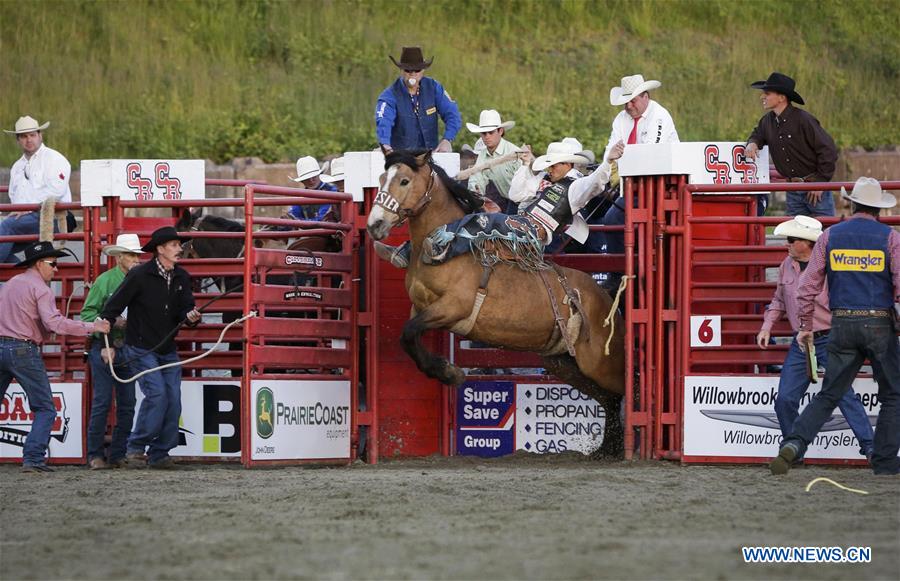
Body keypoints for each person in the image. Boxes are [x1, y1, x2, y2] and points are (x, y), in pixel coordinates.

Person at [770, 177, 900, 476]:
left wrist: (805, 325)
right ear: (879, 209)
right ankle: (883, 461)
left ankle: (794, 444)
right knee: (893, 393)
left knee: (830, 393)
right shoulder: (890, 238)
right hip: (879, 323)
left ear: (851, 205)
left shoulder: (830, 236)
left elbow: (807, 288)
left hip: (841, 324)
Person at [756, 216, 873, 461]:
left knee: (843, 394)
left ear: (807, 243)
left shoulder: (830, 269)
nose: (787, 244)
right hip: (803, 340)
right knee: (786, 399)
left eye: (792, 239)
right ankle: (793, 449)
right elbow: (778, 301)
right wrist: (767, 326)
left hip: (830, 337)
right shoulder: (787, 265)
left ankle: (870, 446)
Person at [0, 241, 110, 472]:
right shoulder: (41, 289)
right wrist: (93, 326)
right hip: (23, 350)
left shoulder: (10, 284)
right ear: (40, 264)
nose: (56, 269)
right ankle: (33, 458)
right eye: (53, 264)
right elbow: (55, 324)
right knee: (45, 408)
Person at [99, 227, 201, 469]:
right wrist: (105, 339)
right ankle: (136, 447)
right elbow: (113, 307)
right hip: (141, 347)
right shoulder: (139, 275)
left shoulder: (181, 277)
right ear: (160, 249)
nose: (179, 249)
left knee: (173, 399)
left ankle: (159, 452)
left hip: (166, 347)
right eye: (174, 245)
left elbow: (185, 309)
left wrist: (191, 317)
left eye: (179, 245)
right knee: (158, 394)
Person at [419, 141, 612, 265]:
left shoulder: (577, 186)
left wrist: (607, 162)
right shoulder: (546, 179)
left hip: (533, 233)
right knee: (479, 220)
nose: (550, 169)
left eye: (554, 165)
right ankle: (430, 244)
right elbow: (516, 193)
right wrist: (526, 165)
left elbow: (595, 183)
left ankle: (443, 250)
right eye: (549, 165)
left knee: (485, 221)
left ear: (567, 165)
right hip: (523, 226)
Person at [596, 75, 679, 285]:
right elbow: (611, 150)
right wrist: (612, 159)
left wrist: (617, 158)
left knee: (616, 220)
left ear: (645, 97)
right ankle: (621, 273)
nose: (628, 106)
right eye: (626, 101)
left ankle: (626, 274)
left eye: (632, 100)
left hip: (662, 187)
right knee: (610, 219)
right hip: (635, 186)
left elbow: (649, 154)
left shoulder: (659, 116)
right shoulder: (621, 119)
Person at [81, 234, 143, 470]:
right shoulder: (105, 281)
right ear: (119, 257)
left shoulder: (133, 280)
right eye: (130, 255)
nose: (135, 259)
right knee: (103, 401)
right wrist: (110, 325)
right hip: (105, 346)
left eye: (136, 255)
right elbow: (87, 314)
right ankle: (96, 454)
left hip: (127, 348)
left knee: (127, 404)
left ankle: (116, 453)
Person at [745, 72, 838, 217]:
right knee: (796, 231)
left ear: (782, 98)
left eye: (767, 93)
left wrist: (820, 183)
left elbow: (828, 150)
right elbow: (758, 134)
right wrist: (752, 143)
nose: (762, 97)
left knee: (824, 228)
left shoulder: (803, 120)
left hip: (814, 188)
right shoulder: (767, 121)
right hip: (793, 189)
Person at [1, 116, 72, 263]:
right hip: (26, 220)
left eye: (32, 135)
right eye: (24, 136)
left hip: (54, 216)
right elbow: (14, 195)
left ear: (40, 136)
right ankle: (22, 275)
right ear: (18, 140)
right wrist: (20, 209)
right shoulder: (17, 167)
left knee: (7, 228)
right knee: (4, 246)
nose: (29, 140)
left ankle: (22, 276)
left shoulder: (54, 159)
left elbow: (56, 191)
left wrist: (27, 208)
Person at [375, 46, 461, 154]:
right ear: (401, 70)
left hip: (430, 156)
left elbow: (452, 113)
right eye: (408, 70)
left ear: (423, 71)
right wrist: (384, 143)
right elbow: (384, 120)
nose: (413, 74)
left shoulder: (434, 88)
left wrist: (447, 139)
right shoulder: (389, 96)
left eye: (417, 70)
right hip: (401, 157)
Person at [465, 109, 523, 212]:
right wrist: (475, 190)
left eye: (491, 132)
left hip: (525, 201)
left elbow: (528, 182)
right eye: (484, 133)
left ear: (500, 131)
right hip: (510, 201)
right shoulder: (483, 155)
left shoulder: (514, 153)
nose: (487, 136)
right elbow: (477, 177)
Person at [288, 156, 337, 222]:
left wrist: (298, 221)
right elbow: (293, 215)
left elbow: (322, 218)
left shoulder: (331, 190)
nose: (311, 180)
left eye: (314, 176)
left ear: (319, 175)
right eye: (307, 178)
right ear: (302, 181)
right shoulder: (301, 196)